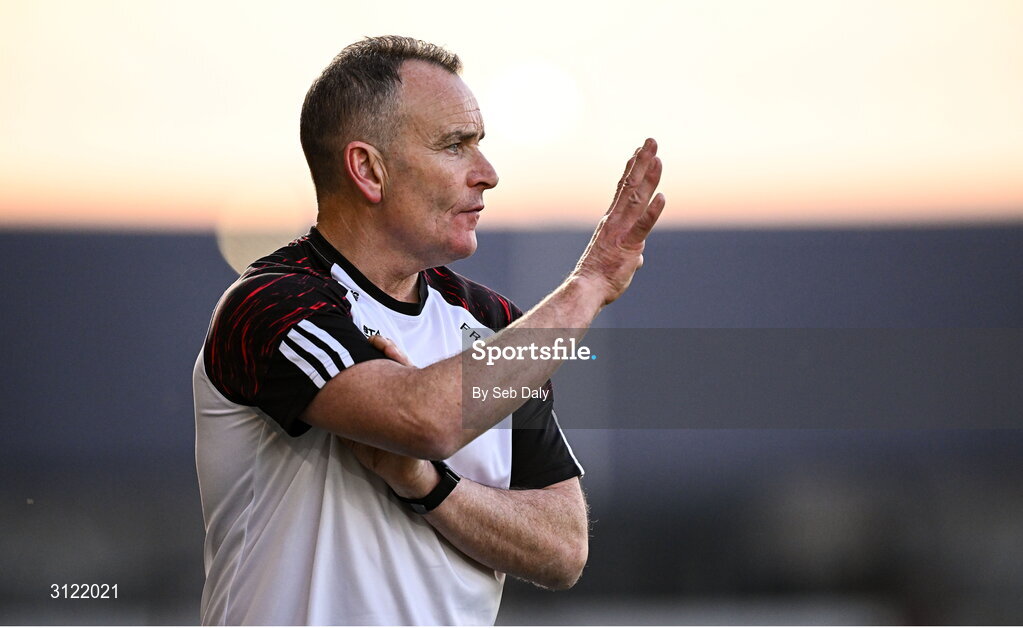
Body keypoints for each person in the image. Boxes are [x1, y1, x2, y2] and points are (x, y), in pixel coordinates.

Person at [193, 35, 664, 625]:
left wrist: (428, 486)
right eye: (455, 146)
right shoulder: (271, 302)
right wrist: (587, 286)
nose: (487, 174)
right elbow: (427, 419)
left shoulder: (495, 325)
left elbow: (562, 548)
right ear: (368, 169)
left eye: (480, 145)